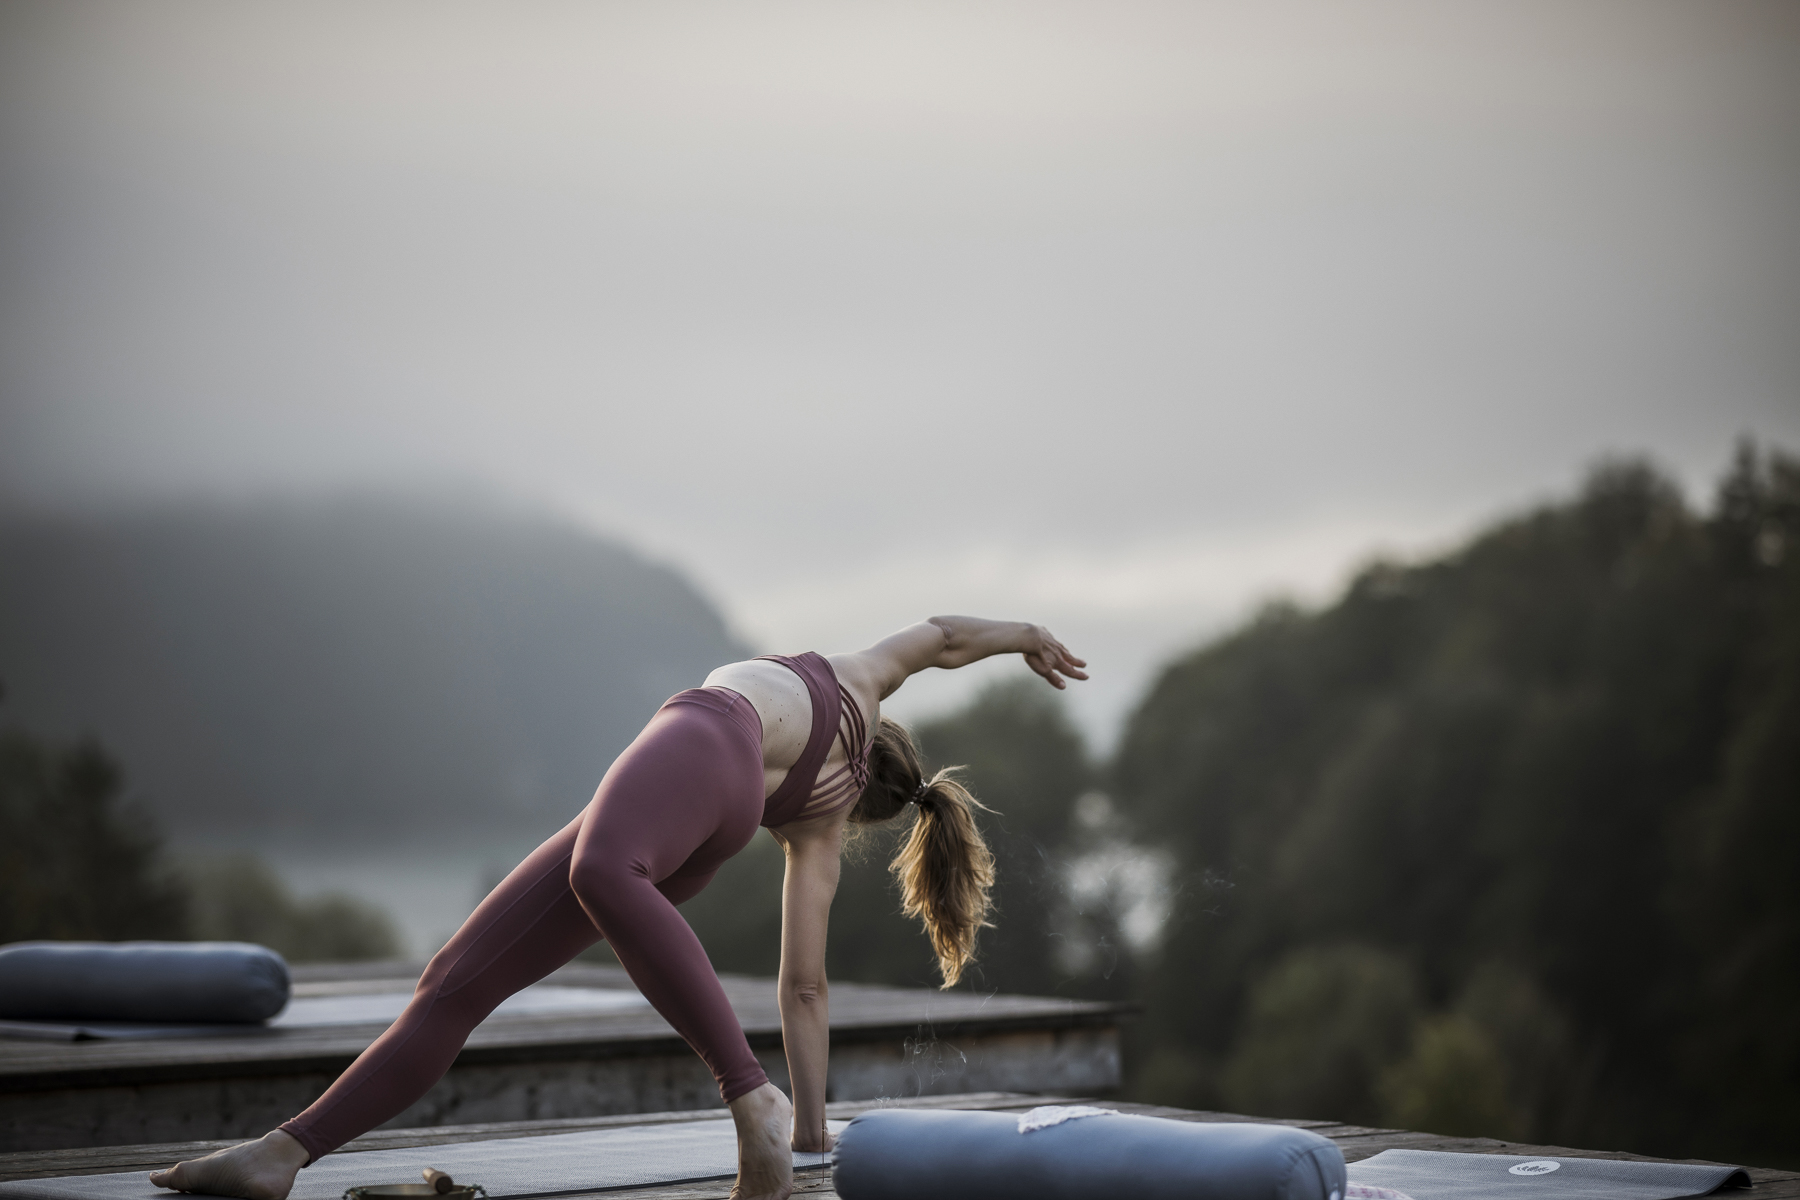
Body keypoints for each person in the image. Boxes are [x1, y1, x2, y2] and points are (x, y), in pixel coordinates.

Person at [149, 616, 1087, 1200]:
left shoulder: (861, 680)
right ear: (881, 803)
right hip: (685, 843)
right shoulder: (821, 827)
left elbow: (945, 638)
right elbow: (806, 989)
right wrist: (812, 1133)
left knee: (598, 871)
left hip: (697, 750)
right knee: (456, 982)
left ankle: (742, 1096)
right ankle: (284, 1153)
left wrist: (1025, 634)